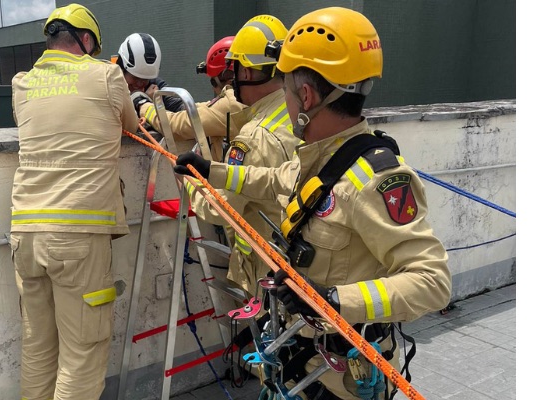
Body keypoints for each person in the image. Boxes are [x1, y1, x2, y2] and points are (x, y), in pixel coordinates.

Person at [174, 7, 452, 400]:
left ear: (304, 96)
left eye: (285, 89)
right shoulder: (318, 159)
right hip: (296, 359)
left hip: (342, 380)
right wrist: (212, 170)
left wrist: (332, 299)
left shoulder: (374, 179)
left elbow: (432, 282)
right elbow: (272, 180)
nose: (283, 100)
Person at [9, 4, 139, 400]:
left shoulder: (22, 84)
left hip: (25, 235)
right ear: (86, 40)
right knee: (83, 353)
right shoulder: (106, 75)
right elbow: (132, 127)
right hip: (77, 237)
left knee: (38, 349)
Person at [177, 15, 300, 297]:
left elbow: (221, 209)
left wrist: (190, 183)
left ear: (245, 73)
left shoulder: (254, 137)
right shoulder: (299, 114)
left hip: (266, 271)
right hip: (298, 262)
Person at [132, 36, 244, 162]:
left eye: (213, 82)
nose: (213, 89)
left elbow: (173, 125)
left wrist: (142, 103)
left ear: (227, 78)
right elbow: (201, 109)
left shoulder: (231, 105)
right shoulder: (252, 100)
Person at [115, 32, 185, 112]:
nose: (140, 84)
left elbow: (178, 106)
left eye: (145, 79)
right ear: (121, 69)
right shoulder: (110, 89)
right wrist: (145, 101)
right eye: (135, 77)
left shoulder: (154, 85)